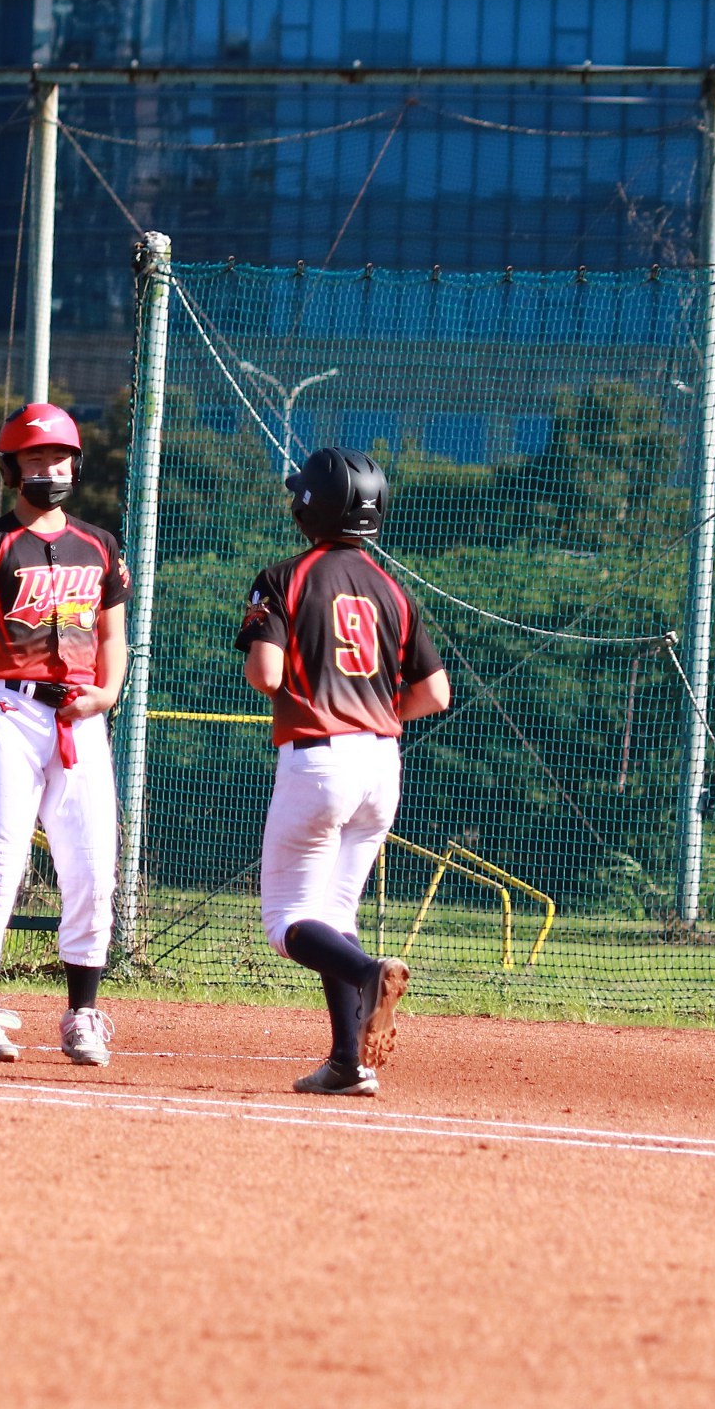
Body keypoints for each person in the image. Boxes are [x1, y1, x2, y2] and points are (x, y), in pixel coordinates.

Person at [235, 447, 451, 1097]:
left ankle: (366, 972)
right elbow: (435, 694)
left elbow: (265, 674)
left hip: (319, 759)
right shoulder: (394, 590)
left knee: (286, 923)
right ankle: (347, 1063)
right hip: (381, 763)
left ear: (311, 508)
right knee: (334, 911)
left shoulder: (283, 578)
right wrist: (374, 712)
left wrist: (314, 700)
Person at [0, 403, 128, 1066]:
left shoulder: (99, 544)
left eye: (59, 458)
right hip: (8, 708)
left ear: (76, 465)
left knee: (92, 866)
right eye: (34, 458)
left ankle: (82, 1016)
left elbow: (112, 635)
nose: (48, 469)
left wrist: (107, 693)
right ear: (12, 468)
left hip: (80, 713)